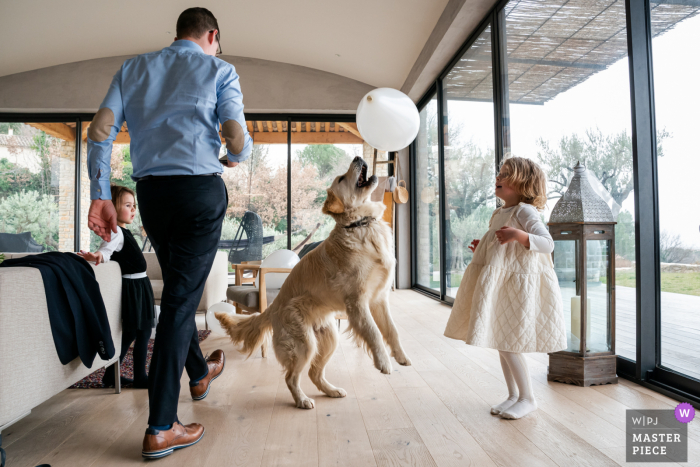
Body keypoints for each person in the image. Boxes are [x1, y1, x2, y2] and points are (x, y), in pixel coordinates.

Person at [85, 7, 252, 459]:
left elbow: (101, 130)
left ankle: (199, 375)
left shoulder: (133, 68)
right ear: (212, 36)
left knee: (179, 287)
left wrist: (102, 193)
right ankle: (161, 426)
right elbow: (236, 137)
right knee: (180, 302)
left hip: (153, 196)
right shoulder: (221, 69)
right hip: (200, 192)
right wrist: (237, 154)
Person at [444, 157, 567, 420]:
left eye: (506, 174)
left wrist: (518, 236)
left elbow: (547, 244)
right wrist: (486, 246)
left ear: (523, 183)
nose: (498, 178)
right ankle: (513, 395)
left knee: (510, 344)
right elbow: (503, 249)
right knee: (501, 341)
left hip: (517, 287)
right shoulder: (499, 212)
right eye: (499, 173)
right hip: (502, 285)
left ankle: (527, 398)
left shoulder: (525, 211)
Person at [78, 185, 154, 389]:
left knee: (131, 334)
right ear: (111, 208)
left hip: (139, 285)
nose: (133, 210)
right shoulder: (117, 232)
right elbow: (107, 250)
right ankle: (139, 377)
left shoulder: (123, 231)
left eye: (134, 206)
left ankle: (111, 374)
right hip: (134, 287)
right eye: (127, 205)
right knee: (142, 332)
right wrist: (98, 256)